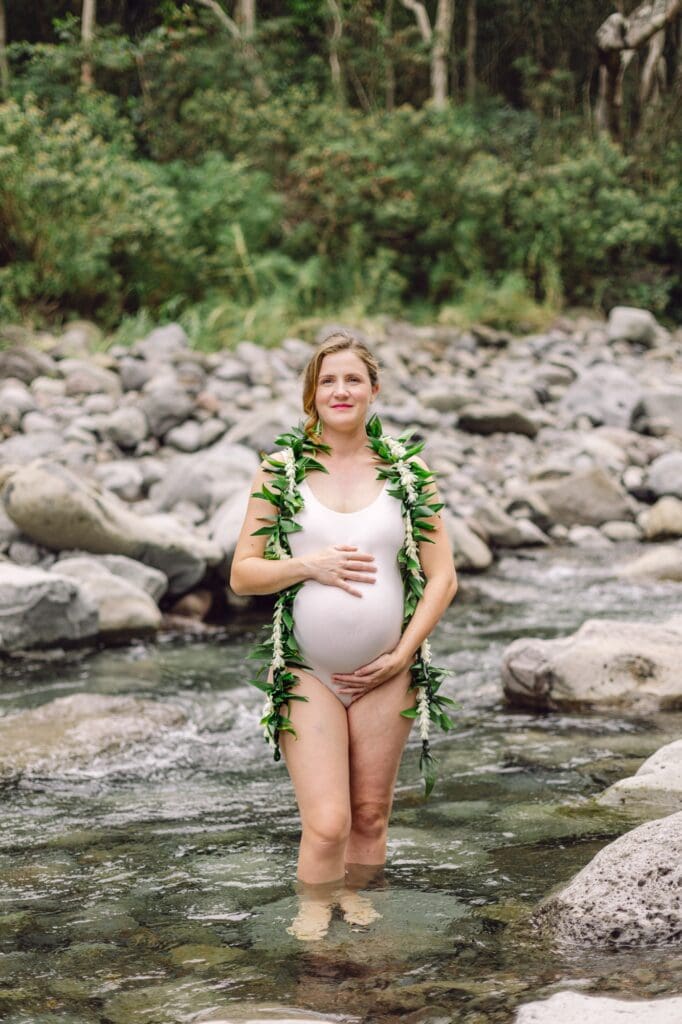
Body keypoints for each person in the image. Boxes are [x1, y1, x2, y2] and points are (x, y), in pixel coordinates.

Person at [230, 331, 457, 937]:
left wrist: (401, 656)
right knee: (328, 821)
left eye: (352, 379)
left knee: (369, 815)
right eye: (327, 380)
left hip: (390, 673)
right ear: (312, 395)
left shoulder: (408, 473)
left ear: (373, 389)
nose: (340, 390)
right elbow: (243, 574)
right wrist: (309, 565)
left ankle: (359, 911)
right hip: (309, 673)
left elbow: (443, 578)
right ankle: (312, 915)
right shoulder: (280, 471)